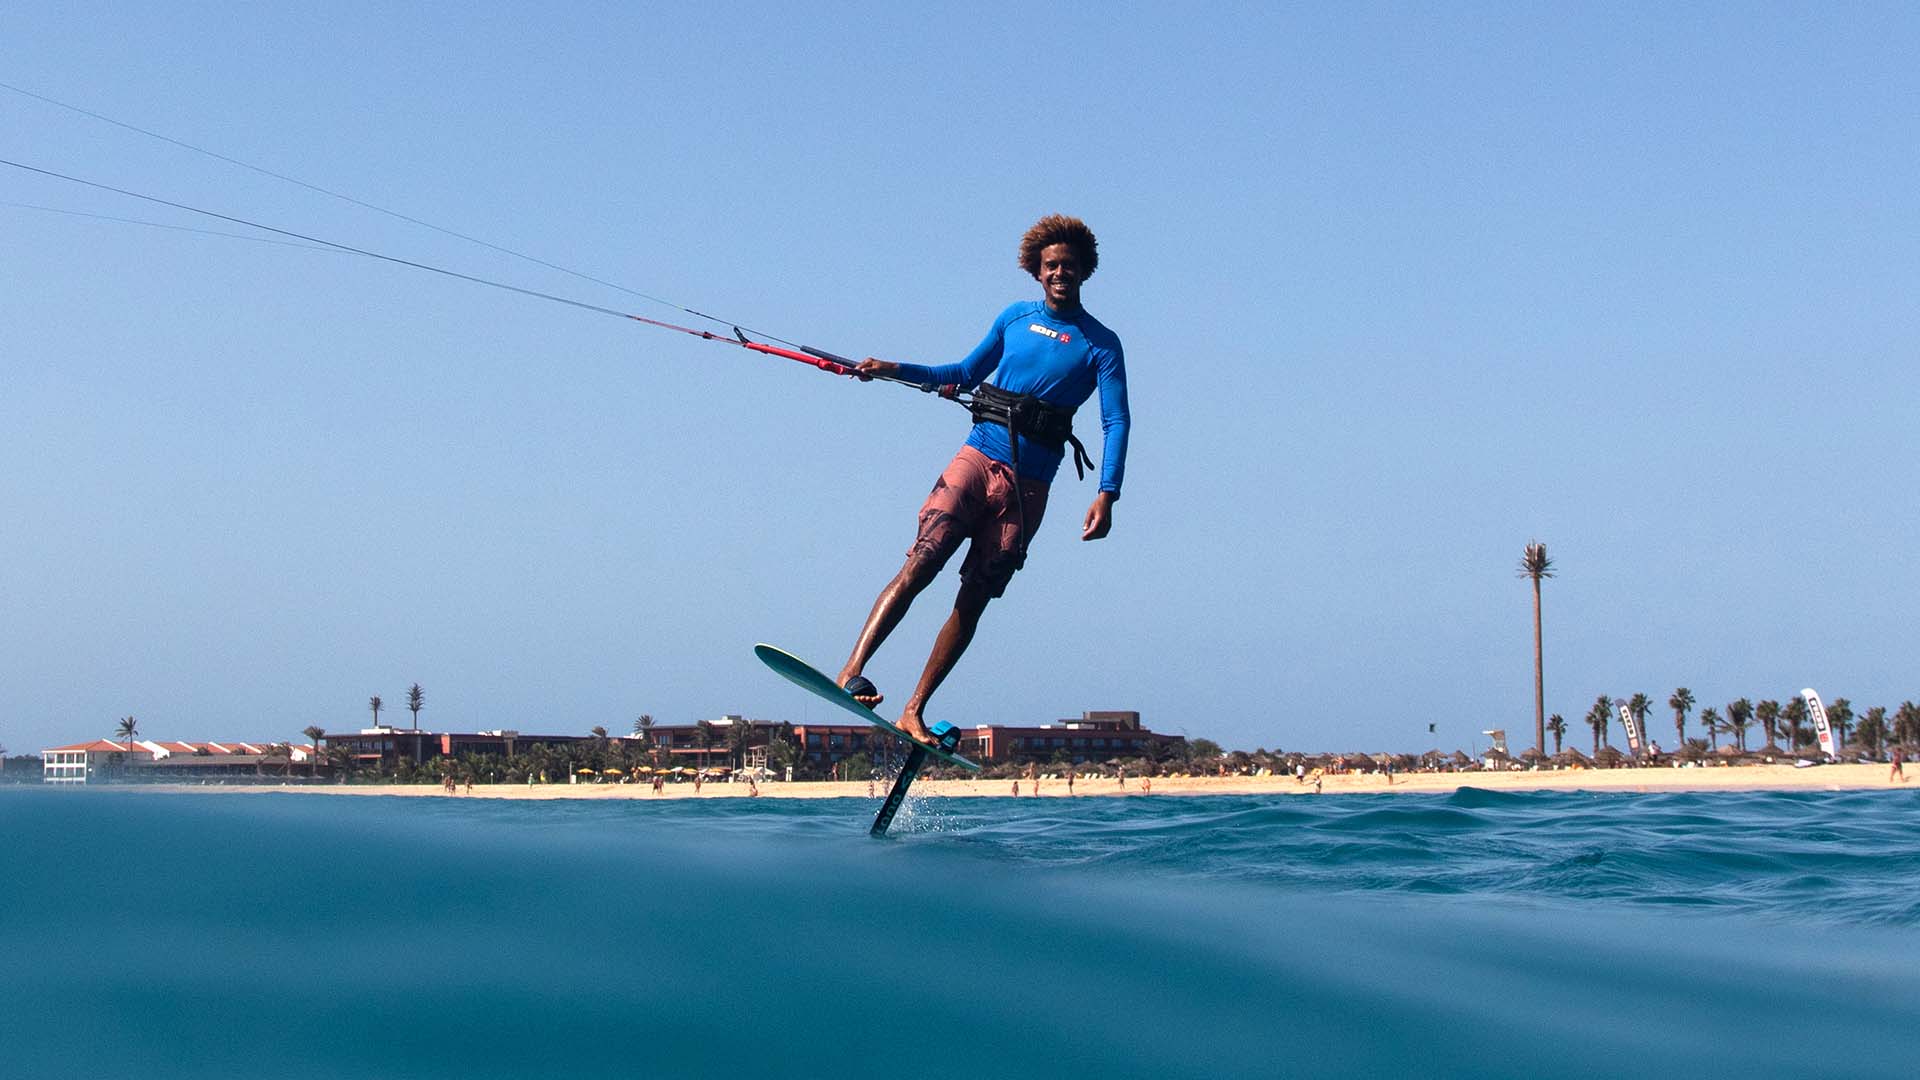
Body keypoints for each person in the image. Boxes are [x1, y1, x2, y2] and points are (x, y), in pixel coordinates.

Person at [837, 215, 1130, 746]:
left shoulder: (1102, 345)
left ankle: (913, 710)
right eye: (1050, 266)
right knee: (922, 561)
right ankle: (850, 670)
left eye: (1069, 265)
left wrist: (1107, 493)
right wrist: (890, 367)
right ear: (1037, 273)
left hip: (1028, 488)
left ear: (1085, 271)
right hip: (977, 460)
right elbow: (962, 374)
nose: (1060, 272)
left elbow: (1116, 420)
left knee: (974, 599)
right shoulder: (1014, 319)